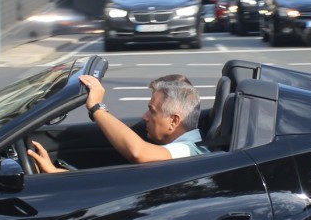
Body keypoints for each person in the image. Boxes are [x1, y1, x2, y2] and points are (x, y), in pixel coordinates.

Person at [27, 74, 206, 173]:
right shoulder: (181, 149)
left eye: (152, 111)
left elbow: (137, 152)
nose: (145, 117)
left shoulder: (189, 151)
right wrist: (59, 174)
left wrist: (97, 108)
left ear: (174, 121)